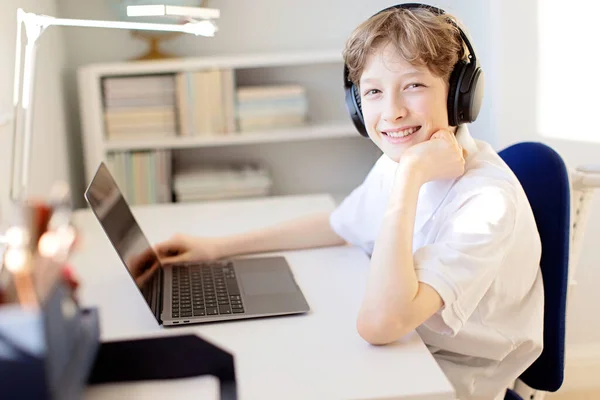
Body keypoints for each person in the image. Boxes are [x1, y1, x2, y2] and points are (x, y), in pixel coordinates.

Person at [154, 4, 544, 399]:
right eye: (373, 91)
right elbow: (340, 225)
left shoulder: (486, 203)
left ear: (461, 94)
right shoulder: (403, 162)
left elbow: (381, 325)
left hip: (449, 378)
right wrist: (216, 248)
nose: (391, 112)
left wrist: (410, 178)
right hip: (406, 352)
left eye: (414, 85)